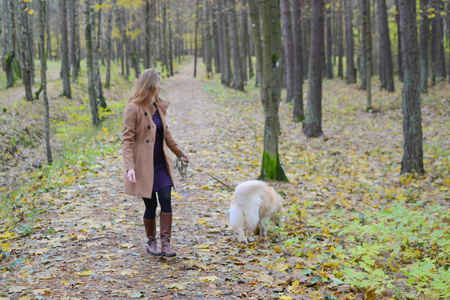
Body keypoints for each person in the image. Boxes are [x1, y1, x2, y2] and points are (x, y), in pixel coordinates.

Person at [121, 69, 188, 257]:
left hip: (160, 164)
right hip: (143, 167)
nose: (161, 86)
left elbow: (167, 135)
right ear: (150, 85)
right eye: (159, 82)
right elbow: (126, 140)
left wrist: (181, 154)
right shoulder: (133, 107)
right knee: (150, 205)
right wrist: (130, 167)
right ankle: (151, 243)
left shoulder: (158, 105)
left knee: (166, 199)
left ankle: (165, 244)